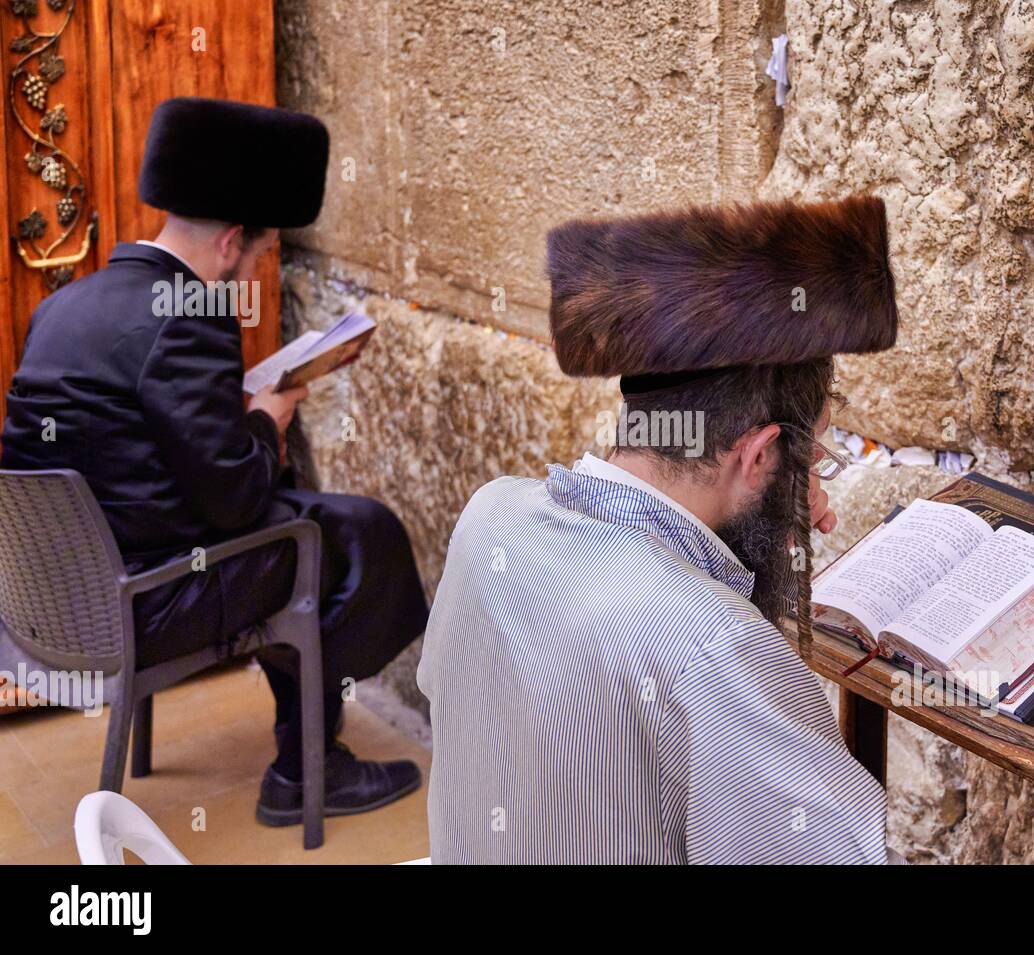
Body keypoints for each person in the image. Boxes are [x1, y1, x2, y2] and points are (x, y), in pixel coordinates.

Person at [418, 193, 902, 863]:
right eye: (812, 460)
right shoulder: (712, 644)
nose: (820, 505)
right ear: (758, 454)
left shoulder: (487, 518)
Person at [1, 97, 428, 827]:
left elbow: (126, 436)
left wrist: (237, 405)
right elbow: (233, 501)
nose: (256, 267)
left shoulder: (69, 305)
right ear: (232, 242)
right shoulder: (190, 313)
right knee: (361, 536)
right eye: (262, 253)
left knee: (314, 533)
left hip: (53, 603)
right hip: (146, 601)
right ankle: (304, 768)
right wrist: (265, 419)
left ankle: (305, 742)